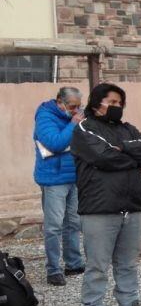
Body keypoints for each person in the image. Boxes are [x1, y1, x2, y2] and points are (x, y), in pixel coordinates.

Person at [70, 83, 141, 306]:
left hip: (131, 206)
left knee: (128, 263)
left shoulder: (128, 129)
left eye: (120, 103)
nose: (116, 107)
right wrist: (134, 158)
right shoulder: (84, 128)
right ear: (97, 102)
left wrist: (125, 149)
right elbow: (102, 158)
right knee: (97, 266)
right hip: (100, 209)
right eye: (111, 102)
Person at [33, 87, 85, 286]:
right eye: (72, 106)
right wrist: (73, 125)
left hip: (73, 176)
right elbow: (54, 144)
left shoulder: (72, 116)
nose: (76, 111)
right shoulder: (45, 117)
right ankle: (53, 269)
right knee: (54, 226)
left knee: (73, 223)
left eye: (79, 107)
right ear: (59, 102)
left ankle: (73, 263)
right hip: (53, 178)